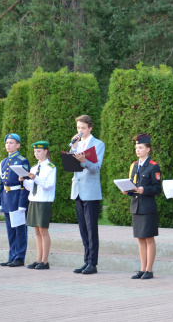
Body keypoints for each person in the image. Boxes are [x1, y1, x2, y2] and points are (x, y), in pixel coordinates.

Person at [122, 134, 161, 280]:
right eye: (136, 148)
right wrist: (127, 190)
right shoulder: (134, 165)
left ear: (148, 149)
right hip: (136, 206)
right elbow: (133, 183)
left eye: (141, 147)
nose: (137, 150)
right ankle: (142, 268)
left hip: (147, 207)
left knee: (149, 238)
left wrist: (145, 190)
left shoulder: (153, 166)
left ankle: (149, 270)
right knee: (140, 238)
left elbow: (157, 189)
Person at [70, 115, 105, 275]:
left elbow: (96, 167)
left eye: (83, 128)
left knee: (92, 228)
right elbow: (71, 163)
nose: (80, 131)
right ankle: (86, 261)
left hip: (90, 190)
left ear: (90, 128)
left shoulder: (98, 144)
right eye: (78, 128)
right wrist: (72, 149)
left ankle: (93, 263)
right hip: (77, 189)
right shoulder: (76, 144)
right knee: (83, 228)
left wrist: (84, 161)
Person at [21, 141, 56, 270]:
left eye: (39, 151)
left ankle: (45, 261)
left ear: (46, 151)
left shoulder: (51, 167)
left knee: (43, 230)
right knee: (36, 231)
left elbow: (48, 185)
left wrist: (35, 178)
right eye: (35, 152)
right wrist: (24, 180)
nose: (37, 154)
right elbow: (31, 187)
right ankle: (38, 259)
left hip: (44, 201)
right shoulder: (34, 167)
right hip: (34, 200)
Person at [0, 133, 30, 267]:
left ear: (18, 145)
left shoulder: (22, 161)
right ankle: (12, 256)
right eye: (7, 143)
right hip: (6, 197)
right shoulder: (3, 162)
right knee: (10, 230)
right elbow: (1, 183)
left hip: (17, 198)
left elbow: (25, 183)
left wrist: (23, 203)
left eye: (11, 143)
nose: (8, 145)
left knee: (19, 230)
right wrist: (0, 202)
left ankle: (20, 257)